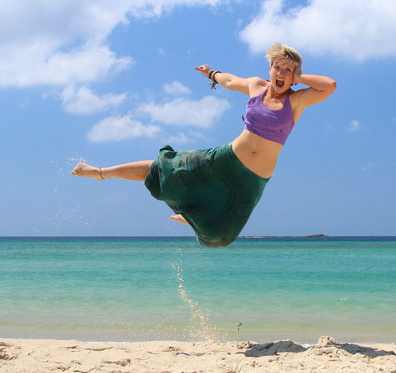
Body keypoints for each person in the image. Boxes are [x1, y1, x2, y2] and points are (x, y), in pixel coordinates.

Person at [72, 43, 336, 248]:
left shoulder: (296, 100)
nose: (281, 73)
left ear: (295, 75)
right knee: (167, 168)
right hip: (226, 160)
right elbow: (231, 82)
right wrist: (212, 73)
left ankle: (190, 218)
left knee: (221, 237)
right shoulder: (257, 86)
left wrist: (298, 78)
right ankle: (100, 172)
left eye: (288, 70)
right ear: (270, 69)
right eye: (277, 67)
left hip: (253, 179)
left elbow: (330, 86)